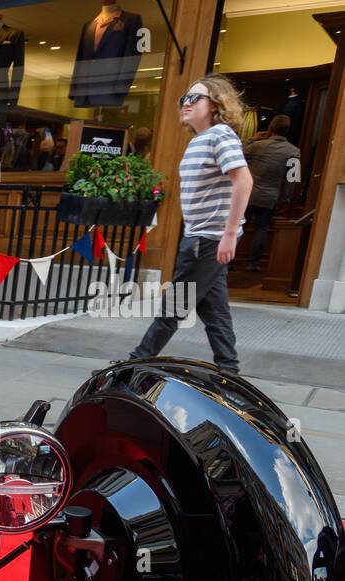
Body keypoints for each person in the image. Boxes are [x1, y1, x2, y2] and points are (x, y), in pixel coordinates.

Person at [130, 74, 252, 375]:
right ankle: (229, 370)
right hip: (202, 237)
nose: (186, 103)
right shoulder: (201, 139)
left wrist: (228, 235)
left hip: (207, 239)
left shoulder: (220, 135)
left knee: (173, 307)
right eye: (184, 98)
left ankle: (134, 363)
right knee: (215, 311)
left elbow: (244, 181)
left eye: (195, 97)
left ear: (215, 104)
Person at [242, 114, 299, 272]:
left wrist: (252, 138)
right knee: (262, 228)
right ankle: (252, 263)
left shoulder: (258, 146)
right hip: (270, 197)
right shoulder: (294, 152)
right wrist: (285, 199)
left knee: (240, 226)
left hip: (248, 194)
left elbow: (236, 153)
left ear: (270, 129)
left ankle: (229, 262)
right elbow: (292, 179)